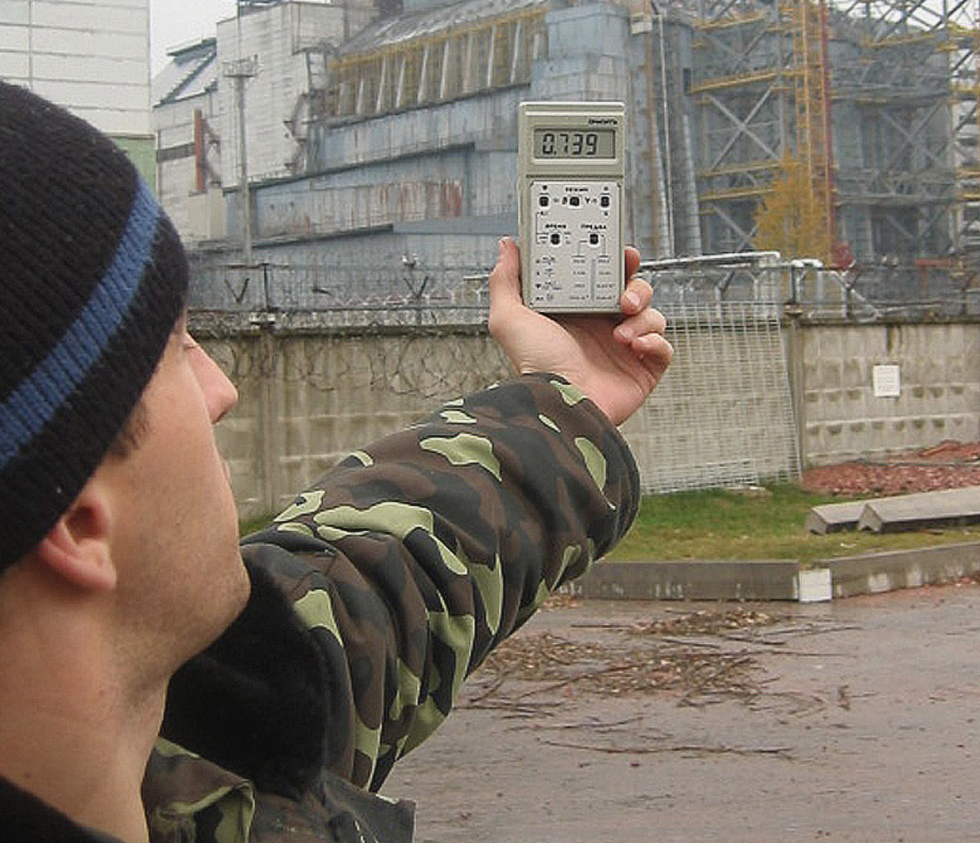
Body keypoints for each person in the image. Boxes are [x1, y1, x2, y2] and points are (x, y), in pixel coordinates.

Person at [0, 79, 673, 843]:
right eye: (177, 349)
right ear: (81, 525)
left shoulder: (222, 729)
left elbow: (390, 574)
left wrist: (564, 396)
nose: (219, 389)